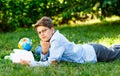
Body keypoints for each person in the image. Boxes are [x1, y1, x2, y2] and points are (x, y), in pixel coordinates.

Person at [20, 16, 120, 67]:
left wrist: (30, 63)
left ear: (52, 29)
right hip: (87, 48)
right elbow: (45, 58)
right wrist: (44, 52)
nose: (42, 34)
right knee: (39, 49)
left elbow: (52, 64)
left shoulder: (56, 40)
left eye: (44, 30)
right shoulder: (49, 40)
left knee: (115, 53)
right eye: (39, 32)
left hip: (94, 53)